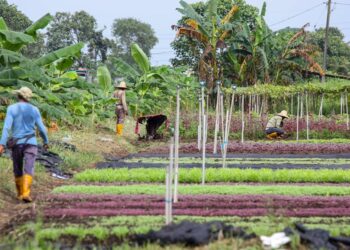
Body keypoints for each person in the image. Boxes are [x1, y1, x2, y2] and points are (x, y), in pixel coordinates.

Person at [0, 87, 49, 203]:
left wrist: (2, 144)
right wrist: (46, 141)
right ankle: (25, 193)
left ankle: (19, 194)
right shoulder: (34, 110)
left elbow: (6, 128)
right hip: (31, 143)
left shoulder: (12, 108)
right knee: (29, 167)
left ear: (18, 96)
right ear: (29, 97)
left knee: (17, 168)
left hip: (17, 143)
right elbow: (41, 129)